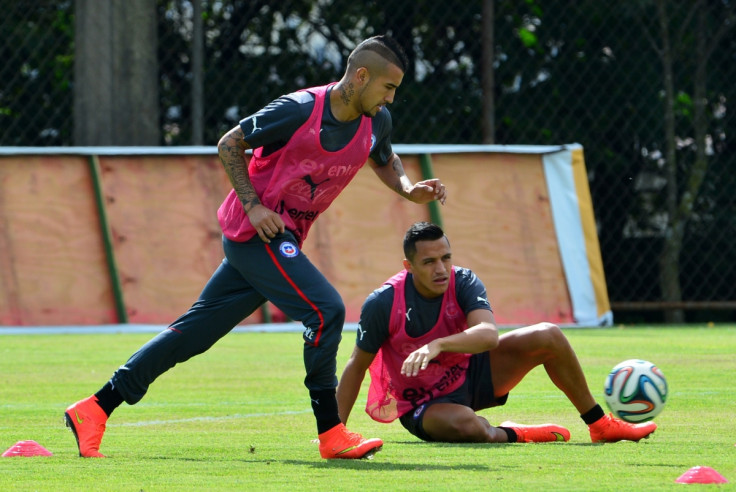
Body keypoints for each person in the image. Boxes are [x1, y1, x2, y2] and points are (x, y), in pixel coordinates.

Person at [64, 35, 447, 460]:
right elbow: (230, 143)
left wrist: (409, 188)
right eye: (388, 87)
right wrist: (253, 206)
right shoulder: (299, 109)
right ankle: (331, 432)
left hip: (279, 240)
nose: (391, 98)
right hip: (256, 235)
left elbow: (384, 158)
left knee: (192, 335)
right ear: (360, 76)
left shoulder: (377, 120)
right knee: (327, 311)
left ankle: (95, 407)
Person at [336, 222, 657, 445]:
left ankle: (600, 425)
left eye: (446, 258)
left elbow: (489, 335)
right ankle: (515, 434)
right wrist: (334, 431)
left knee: (549, 335)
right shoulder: (383, 302)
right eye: (429, 262)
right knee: (469, 427)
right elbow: (356, 365)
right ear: (408, 266)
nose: (441, 269)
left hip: (472, 374)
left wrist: (438, 345)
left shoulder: (463, 281)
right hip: (423, 404)